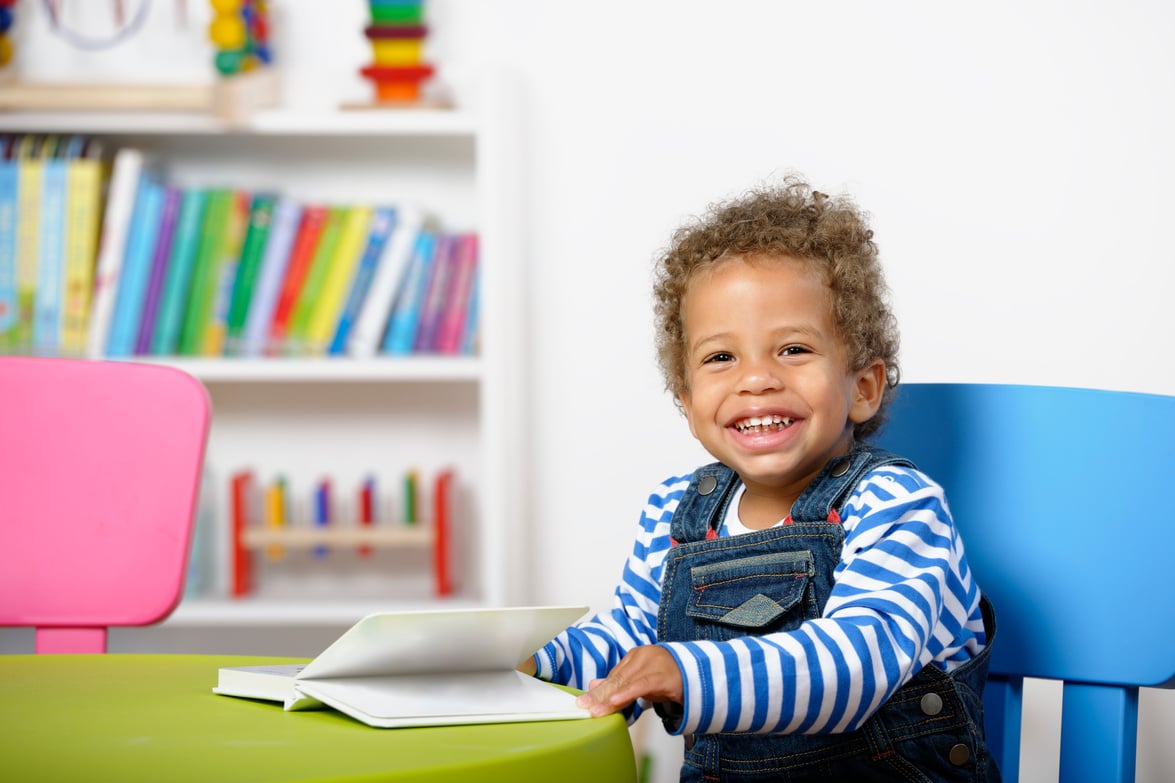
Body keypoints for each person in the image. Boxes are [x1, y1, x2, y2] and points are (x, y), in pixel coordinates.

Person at [522, 176, 1000, 782]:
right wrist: (527, 667)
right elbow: (624, 644)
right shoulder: (675, 514)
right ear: (688, 400)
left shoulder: (897, 504)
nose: (756, 379)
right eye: (721, 358)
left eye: (794, 349)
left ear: (862, 387)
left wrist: (684, 671)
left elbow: (855, 664)